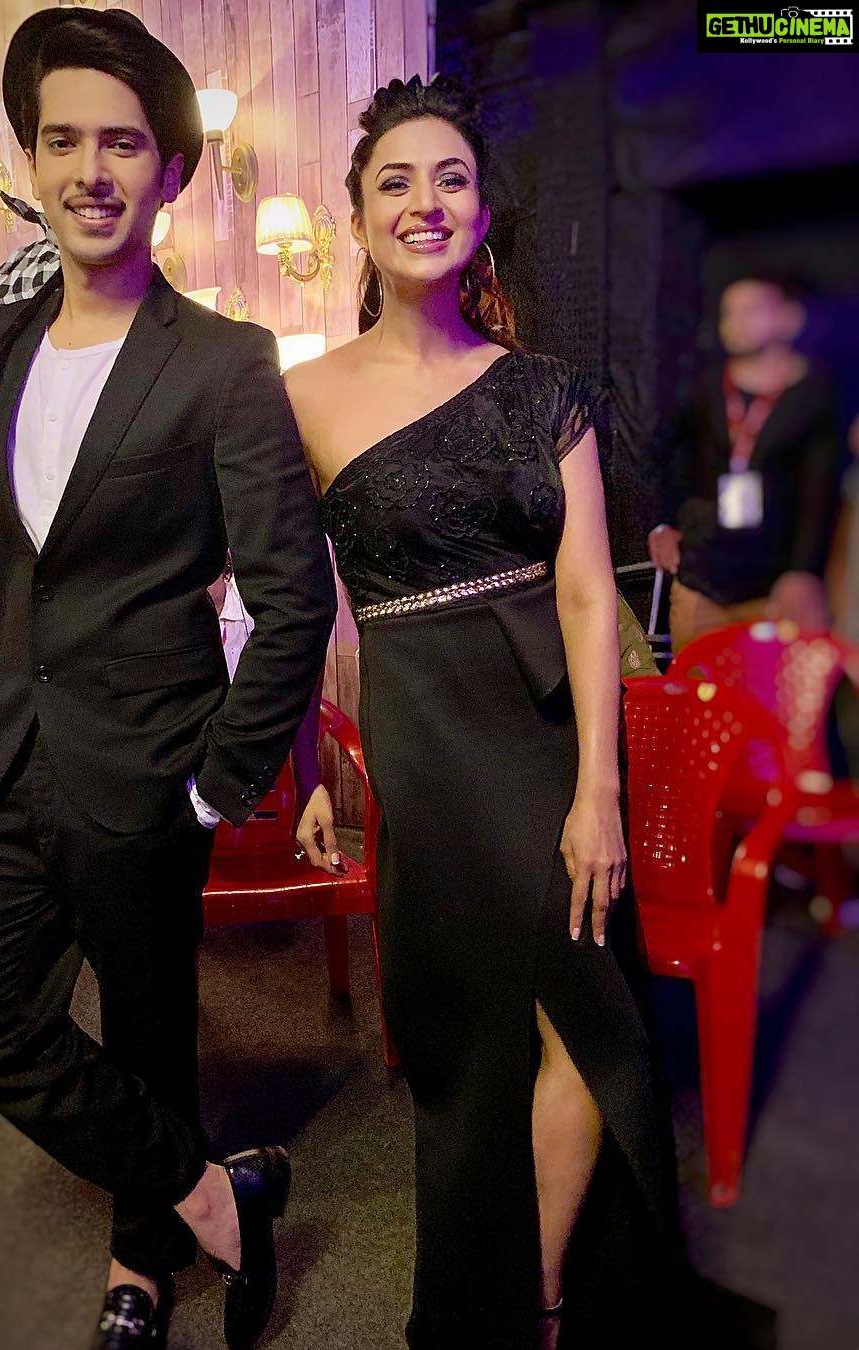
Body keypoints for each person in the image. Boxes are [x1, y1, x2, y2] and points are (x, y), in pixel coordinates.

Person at [0, 10, 336, 1349]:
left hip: (149, 765)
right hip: (2, 748)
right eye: (61, 140)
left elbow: (293, 595)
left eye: (121, 143)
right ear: (32, 161)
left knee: (149, 1028)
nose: (89, 169)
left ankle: (138, 1264)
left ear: (169, 170)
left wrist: (219, 784)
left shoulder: (225, 359)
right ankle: (211, 1191)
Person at [287, 75, 680, 1348]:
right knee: (469, 1045)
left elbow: (587, 594)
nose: (426, 202)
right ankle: (492, 1300)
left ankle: (539, 1304)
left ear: (481, 211)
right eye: (396, 181)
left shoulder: (544, 389)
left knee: (591, 1018)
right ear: (357, 217)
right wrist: (306, 761)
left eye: (450, 179)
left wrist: (598, 789)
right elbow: (293, 601)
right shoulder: (303, 397)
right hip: (428, 745)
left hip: (547, 736)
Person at [648, 274, 841, 652]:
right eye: (728, 313)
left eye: (752, 310)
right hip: (704, 577)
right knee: (698, 683)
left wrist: (803, 570)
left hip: (777, 586)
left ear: (788, 318)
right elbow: (666, 457)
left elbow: (820, 493)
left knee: (773, 687)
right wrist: (663, 523)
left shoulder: (813, 396)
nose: (736, 322)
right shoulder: (704, 388)